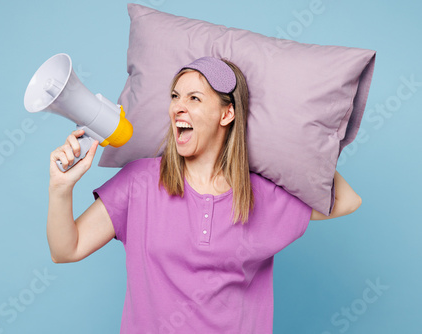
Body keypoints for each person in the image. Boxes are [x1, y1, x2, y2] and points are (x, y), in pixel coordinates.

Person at [46, 57, 362, 333]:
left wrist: (293, 140)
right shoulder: (139, 180)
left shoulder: (261, 195)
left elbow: (347, 201)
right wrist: (60, 189)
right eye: (174, 96)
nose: (178, 107)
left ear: (227, 114)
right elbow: (66, 249)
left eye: (195, 98)